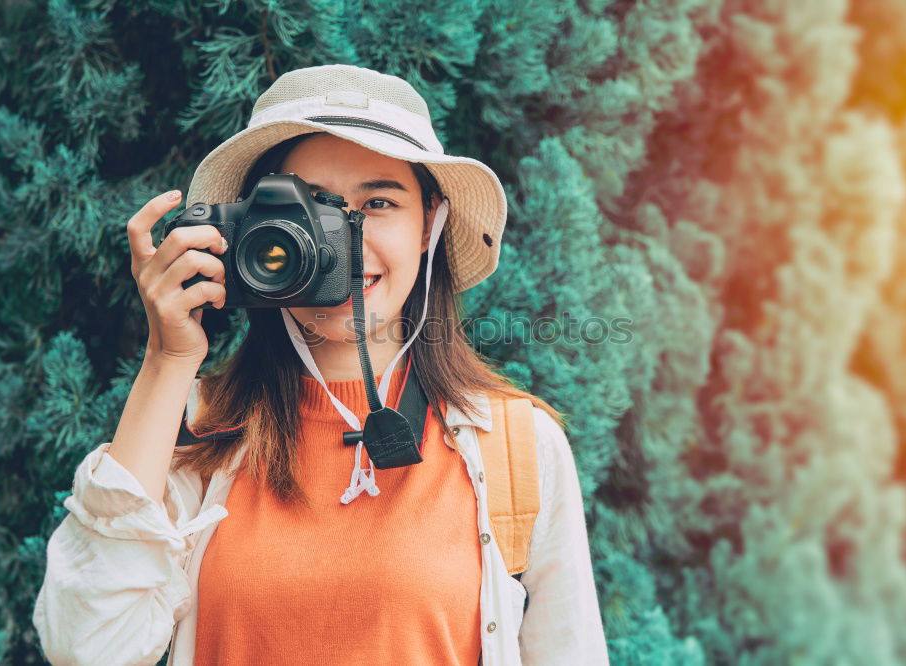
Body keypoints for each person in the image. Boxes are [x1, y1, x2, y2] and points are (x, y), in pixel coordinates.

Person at [32, 64, 608, 665]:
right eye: (310, 206)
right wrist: (167, 360)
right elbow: (86, 649)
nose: (343, 239)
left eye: (378, 202)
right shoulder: (191, 431)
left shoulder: (517, 446)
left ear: (428, 225)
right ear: (253, 229)